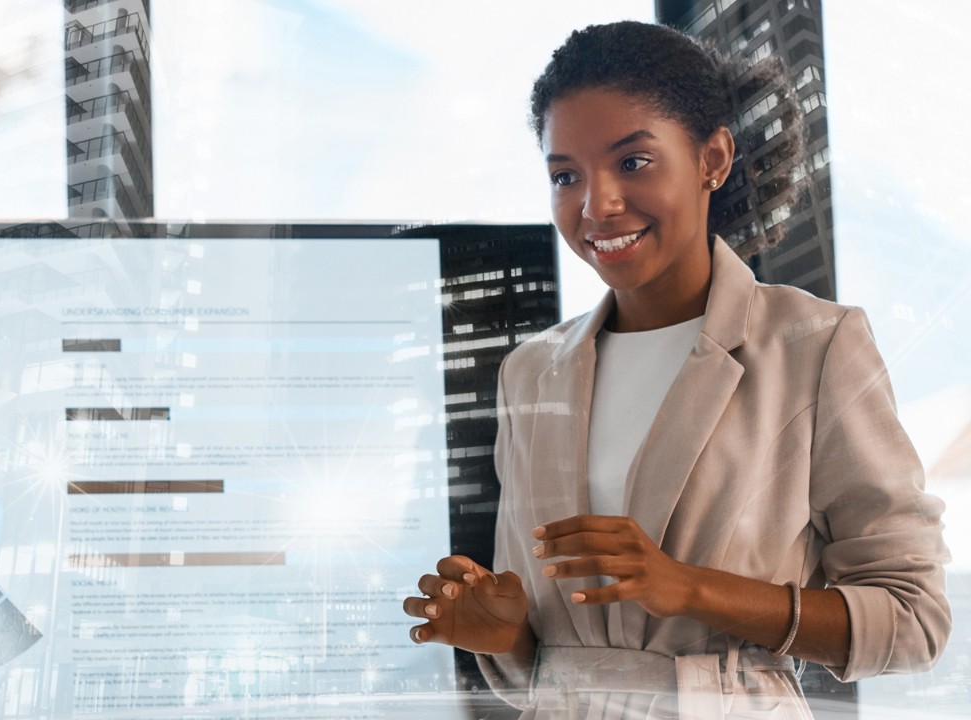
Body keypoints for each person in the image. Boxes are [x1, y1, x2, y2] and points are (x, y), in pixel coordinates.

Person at [403, 20, 950, 719]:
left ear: (712, 158)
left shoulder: (813, 345)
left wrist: (690, 588)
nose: (595, 204)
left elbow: (915, 621)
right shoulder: (531, 373)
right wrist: (503, 636)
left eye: (632, 162)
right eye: (565, 175)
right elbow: (547, 670)